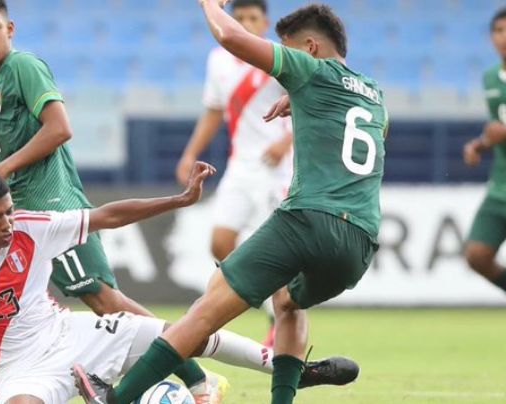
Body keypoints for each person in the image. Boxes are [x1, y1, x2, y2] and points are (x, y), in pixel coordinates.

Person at [0, 167, 354, 404]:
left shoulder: (32, 228)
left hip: (72, 333)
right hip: (14, 368)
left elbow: (109, 215)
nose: (8, 222)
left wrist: (179, 200)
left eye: (10, 211)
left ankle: (292, 371)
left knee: (170, 330)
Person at [73, 3, 386, 404]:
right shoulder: (375, 95)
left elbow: (231, 38)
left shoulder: (310, 68)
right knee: (287, 301)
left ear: (309, 47)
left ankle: (117, 399)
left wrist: (208, 4)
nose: (284, 64)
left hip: (309, 217)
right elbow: (358, 133)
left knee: (207, 308)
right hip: (359, 242)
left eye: (288, 51)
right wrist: (302, 100)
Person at [0, 0, 225, 401]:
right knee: (30, 306)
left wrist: (2, 169)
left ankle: (199, 379)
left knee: (104, 301)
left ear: (10, 28)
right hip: (27, 216)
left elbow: (60, 128)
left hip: (53, 208)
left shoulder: (22, 68)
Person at [175, 0, 293, 348]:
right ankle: (264, 297)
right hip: (240, 167)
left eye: (252, 18)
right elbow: (214, 111)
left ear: (265, 22)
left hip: (276, 170)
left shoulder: (276, 58)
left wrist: (286, 142)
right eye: (238, 17)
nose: (245, 22)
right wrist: (190, 153)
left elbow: (307, 104)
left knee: (276, 248)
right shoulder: (219, 60)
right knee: (221, 243)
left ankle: (280, 317)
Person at [463, 6, 506, 306]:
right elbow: (502, 125)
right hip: (502, 183)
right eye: (499, 31)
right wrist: (480, 144)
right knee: (477, 254)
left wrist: (505, 134)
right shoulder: (490, 78)